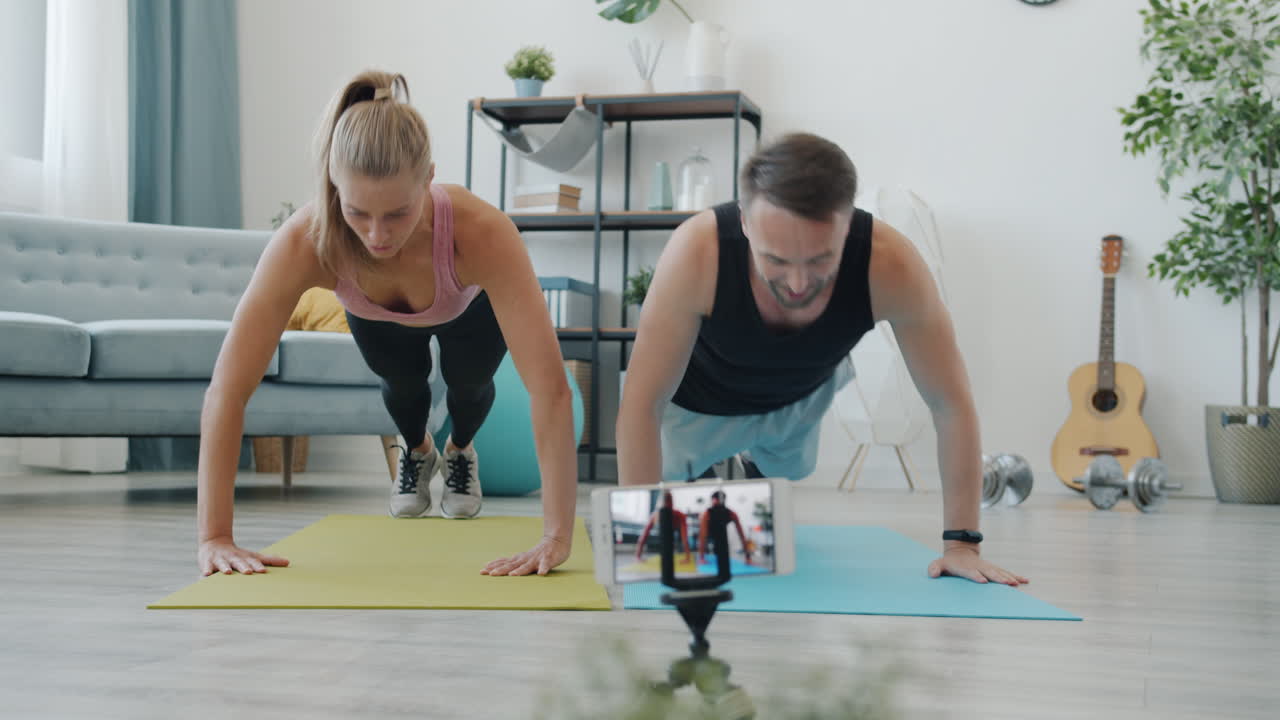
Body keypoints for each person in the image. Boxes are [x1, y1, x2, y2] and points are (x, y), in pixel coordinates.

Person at [196, 70, 577, 578]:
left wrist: (556, 536)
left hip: (467, 307)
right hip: (376, 314)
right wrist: (214, 537)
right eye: (357, 212)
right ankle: (417, 452)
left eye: (398, 213)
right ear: (334, 188)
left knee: (470, 385)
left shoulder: (481, 232)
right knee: (402, 388)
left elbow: (549, 389)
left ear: (429, 179)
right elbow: (229, 387)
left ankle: (459, 451)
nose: (377, 236)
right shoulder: (306, 241)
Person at [617, 132, 1028, 586]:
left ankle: (757, 463)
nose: (796, 283)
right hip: (697, 405)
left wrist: (962, 545)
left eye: (819, 261)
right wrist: (644, 539)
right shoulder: (697, 251)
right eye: (775, 260)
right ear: (746, 224)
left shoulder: (890, 265)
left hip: (798, 397)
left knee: (789, 470)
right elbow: (642, 401)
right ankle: (704, 475)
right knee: (684, 513)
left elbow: (950, 402)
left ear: (846, 227)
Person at [696, 491, 751, 566]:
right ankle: (702, 557)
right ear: (713, 500)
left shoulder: (731, 514)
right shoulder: (708, 513)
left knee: (721, 552)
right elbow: (702, 537)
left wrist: (748, 558)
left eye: (717, 500)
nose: (715, 503)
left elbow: (741, 535)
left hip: (721, 534)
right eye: (714, 501)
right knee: (704, 537)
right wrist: (701, 558)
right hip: (709, 532)